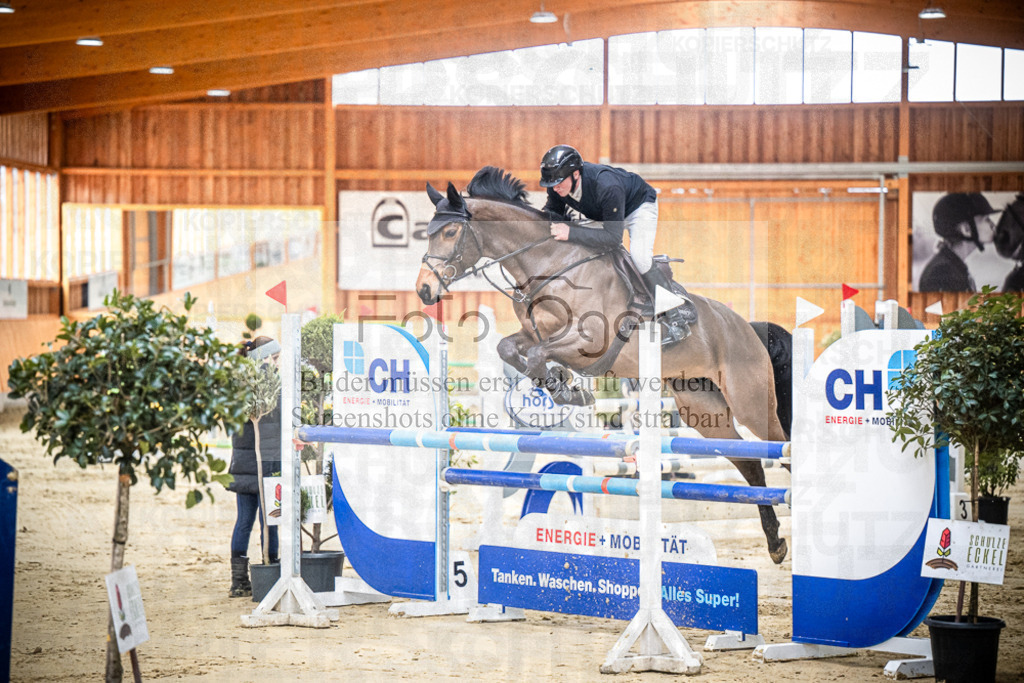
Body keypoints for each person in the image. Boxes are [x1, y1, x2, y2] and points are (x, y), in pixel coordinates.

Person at [538, 144, 692, 344]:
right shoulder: (557, 187)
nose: (555, 188)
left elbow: (612, 238)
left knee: (640, 257)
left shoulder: (607, 185)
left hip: (638, 208)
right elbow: (552, 215)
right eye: (551, 184)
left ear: (576, 174)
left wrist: (570, 232)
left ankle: (676, 318)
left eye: (559, 182)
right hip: (608, 214)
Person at [227, 335, 282, 598]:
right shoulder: (268, 386)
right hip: (264, 462)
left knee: (244, 523)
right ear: (264, 359)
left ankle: (239, 581)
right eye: (274, 358)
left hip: (244, 461)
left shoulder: (238, 384)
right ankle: (270, 574)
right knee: (270, 521)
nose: (277, 364)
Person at [918, 192, 997, 292]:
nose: (993, 225)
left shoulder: (951, 266)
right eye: (987, 219)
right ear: (966, 229)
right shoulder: (943, 273)